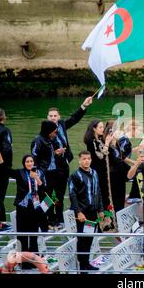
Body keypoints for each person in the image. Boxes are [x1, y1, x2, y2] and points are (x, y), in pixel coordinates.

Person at [46, 96, 93, 228]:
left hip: (63, 165)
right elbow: (42, 148)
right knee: (49, 195)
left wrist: (84, 105)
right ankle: (50, 219)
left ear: (59, 116)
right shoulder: (45, 131)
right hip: (50, 168)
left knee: (60, 194)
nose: (53, 117)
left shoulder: (61, 124)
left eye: (55, 115)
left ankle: (60, 218)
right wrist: (54, 153)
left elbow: (74, 119)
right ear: (47, 117)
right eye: (51, 116)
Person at [0, 152, 48, 254]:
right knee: (22, 234)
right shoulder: (20, 173)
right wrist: (0, 157)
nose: (29, 163)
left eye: (31, 161)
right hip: (23, 207)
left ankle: (34, 257)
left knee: (34, 233)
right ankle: (23, 261)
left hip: (35, 206)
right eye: (27, 161)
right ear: (24, 163)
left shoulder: (40, 173)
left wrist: (36, 177)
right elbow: (6, 171)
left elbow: (44, 189)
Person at [69, 150, 104, 272]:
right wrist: (78, 212)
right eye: (84, 159)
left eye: (88, 158)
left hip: (92, 213)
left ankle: (86, 263)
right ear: (79, 160)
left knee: (89, 238)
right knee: (82, 239)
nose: (86, 161)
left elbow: (98, 192)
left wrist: (100, 209)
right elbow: (72, 195)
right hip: (82, 213)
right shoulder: (75, 175)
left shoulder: (94, 173)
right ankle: (82, 264)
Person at [31, 120, 58, 230]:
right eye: (54, 132)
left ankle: (49, 220)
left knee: (50, 198)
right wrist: (37, 175)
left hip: (52, 172)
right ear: (49, 131)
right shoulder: (38, 141)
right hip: (43, 174)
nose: (55, 134)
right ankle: (43, 220)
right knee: (43, 197)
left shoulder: (49, 140)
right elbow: (33, 159)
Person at [84, 119, 113, 211]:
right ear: (94, 129)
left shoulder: (100, 140)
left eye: (103, 127)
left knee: (106, 193)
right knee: (100, 193)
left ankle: (107, 215)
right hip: (97, 171)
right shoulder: (91, 142)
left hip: (103, 170)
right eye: (100, 127)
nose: (102, 129)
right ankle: (101, 215)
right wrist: (107, 143)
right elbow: (100, 156)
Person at [104, 120, 132, 213]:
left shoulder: (116, 146)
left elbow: (121, 158)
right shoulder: (108, 147)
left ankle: (119, 215)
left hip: (120, 175)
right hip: (113, 176)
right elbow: (116, 160)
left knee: (120, 199)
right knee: (115, 199)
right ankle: (114, 218)